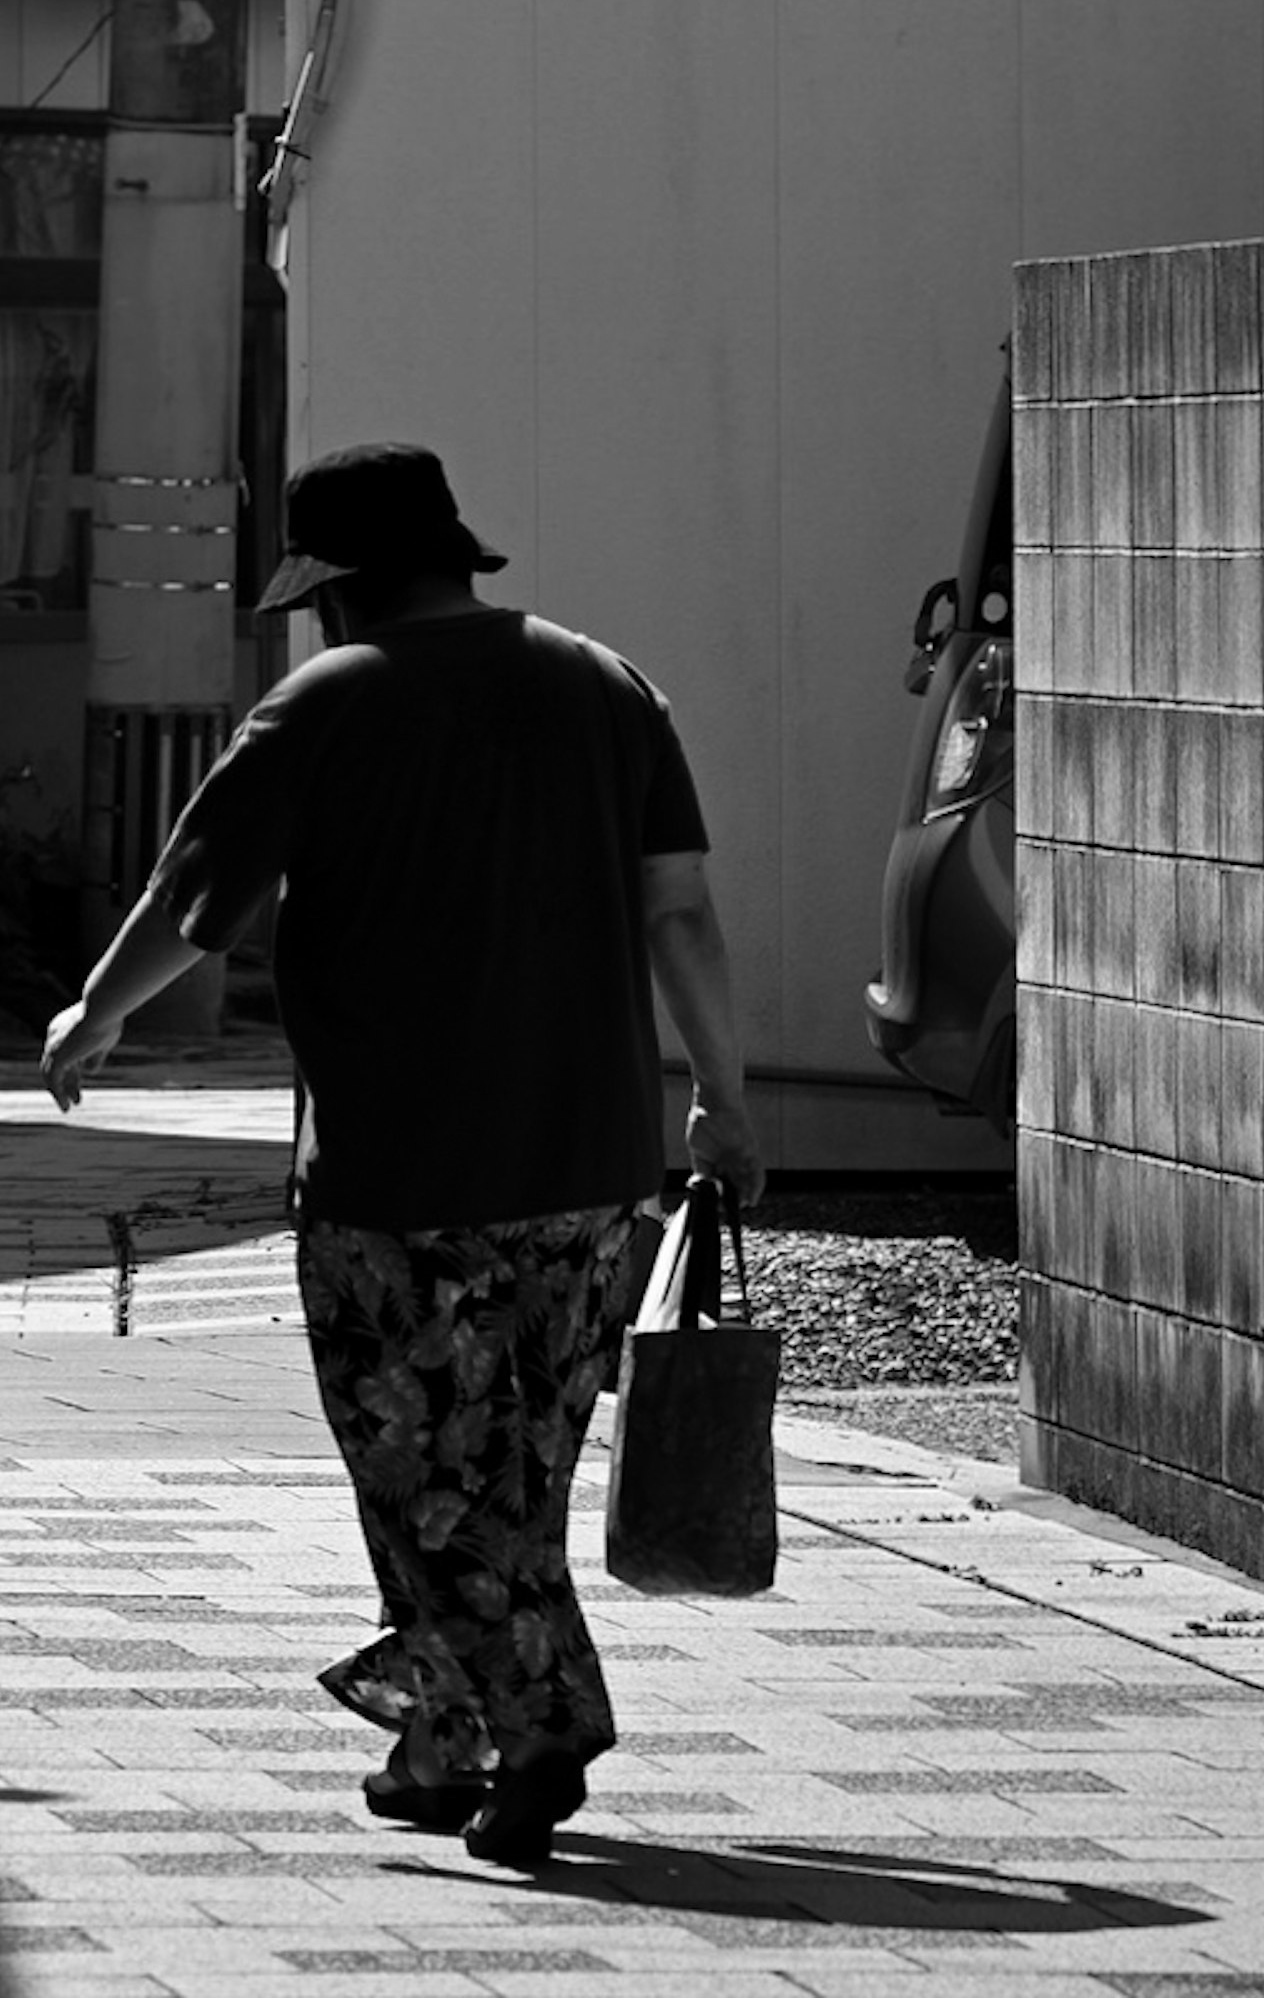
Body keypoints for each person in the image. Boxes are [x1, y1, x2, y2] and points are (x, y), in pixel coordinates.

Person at [43, 441, 762, 1865]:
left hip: (401, 1177)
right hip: (591, 1170)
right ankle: (444, 1743)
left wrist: (93, 1016)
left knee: (417, 1481)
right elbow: (678, 911)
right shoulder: (607, 686)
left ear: (339, 589)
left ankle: (544, 1725)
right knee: (513, 1487)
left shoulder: (325, 705)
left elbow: (193, 908)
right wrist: (725, 1098)